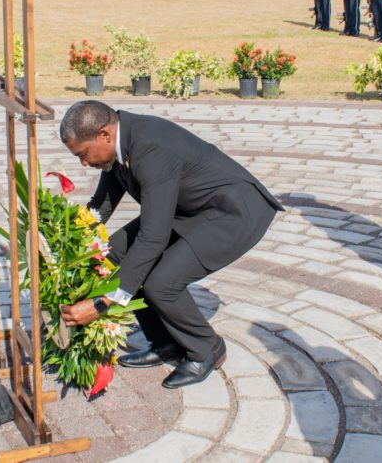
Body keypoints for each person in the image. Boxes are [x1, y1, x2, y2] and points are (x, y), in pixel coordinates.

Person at [58, 101, 282, 389]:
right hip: (188, 209)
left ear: (104, 135)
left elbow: (153, 238)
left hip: (233, 213)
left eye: (83, 154)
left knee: (161, 283)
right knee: (111, 255)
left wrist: (104, 302)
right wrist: (70, 239)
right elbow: (102, 204)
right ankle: (165, 343)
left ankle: (206, 349)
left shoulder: (151, 149)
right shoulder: (119, 142)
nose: (83, 163)